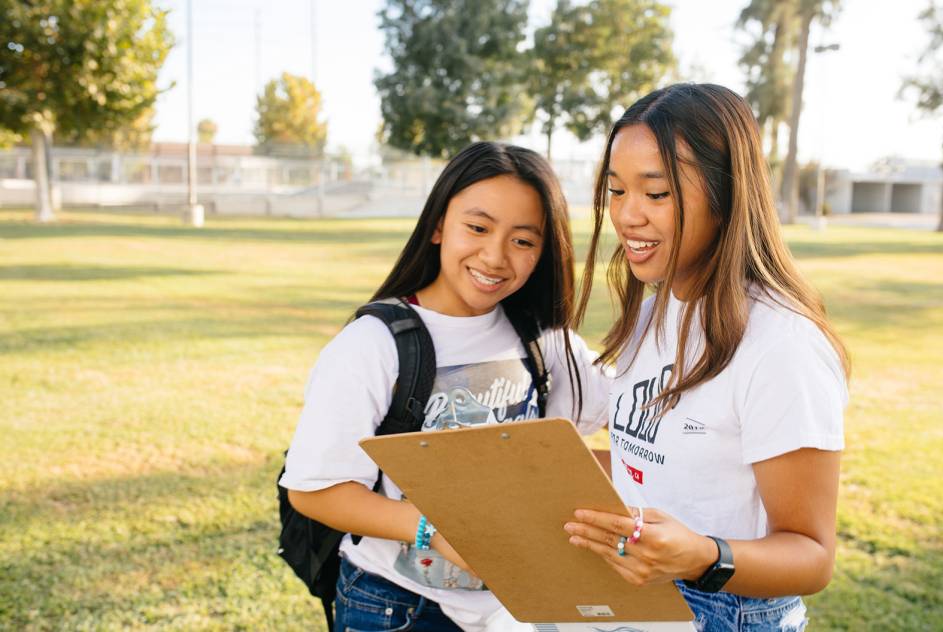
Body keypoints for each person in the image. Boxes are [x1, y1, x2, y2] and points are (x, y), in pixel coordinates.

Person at [279, 141, 610, 632]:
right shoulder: (373, 344)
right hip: (397, 607)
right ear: (438, 225)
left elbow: (632, 437)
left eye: (523, 240)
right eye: (477, 228)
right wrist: (433, 530)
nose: (495, 256)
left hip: (516, 607)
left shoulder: (547, 342)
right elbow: (315, 490)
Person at [563, 83, 850, 632]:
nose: (627, 216)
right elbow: (654, 462)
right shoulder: (652, 312)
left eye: (657, 193)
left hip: (722, 612)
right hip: (635, 600)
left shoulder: (782, 344)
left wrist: (701, 555)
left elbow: (812, 556)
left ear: (725, 194)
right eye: (616, 191)